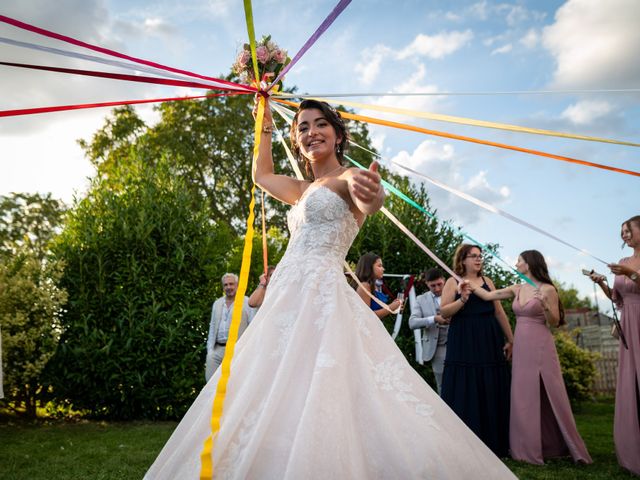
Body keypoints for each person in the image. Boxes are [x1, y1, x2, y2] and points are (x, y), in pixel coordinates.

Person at [145, 99, 516, 479]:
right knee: (271, 383)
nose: (311, 132)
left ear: (338, 135)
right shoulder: (303, 189)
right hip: (286, 296)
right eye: (303, 127)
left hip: (319, 294)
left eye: (320, 124)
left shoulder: (347, 177)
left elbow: (368, 197)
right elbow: (261, 175)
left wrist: (373, 194)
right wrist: (266, 126)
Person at [467, 250, 591, 465]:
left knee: (550, 391)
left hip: (541, 344)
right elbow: (488, 296)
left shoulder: (548, 289)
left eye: (519, 261)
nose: (516, 263)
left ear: (529, 264)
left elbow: (554, 321)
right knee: (523, 394)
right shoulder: (517, 288)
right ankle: (527, 447)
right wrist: (463, 281)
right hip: (521, 345)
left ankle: (562, 444)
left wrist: (544, 304)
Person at [439, 244, 513, 457]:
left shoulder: (488, 282)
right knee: (466, 385)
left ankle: (496, 442)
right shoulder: (453, 282)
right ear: (462, 260)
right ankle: (465, 444)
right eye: (473, 256)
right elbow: (444, 312)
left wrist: (511, 339)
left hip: (489, 338)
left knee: (491, 385)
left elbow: (499, 312)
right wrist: (462, 299)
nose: (478, 260)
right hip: (464, 338)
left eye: (480, 256)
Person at [589, 215, 640, 475]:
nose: (624, 235)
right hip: (629, 322)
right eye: (622, 231)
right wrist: (603, 284)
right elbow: (618, 298)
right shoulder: (622, 262)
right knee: (630, 383)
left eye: (628, 230)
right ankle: (633, 449)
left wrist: (632, 273)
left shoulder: (628, 267)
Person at [205, 273, 253, 381]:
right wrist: (210, 350)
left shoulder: (246, 301)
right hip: (217, 350)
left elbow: (252, 326)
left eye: (231, 284)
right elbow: (212, 328)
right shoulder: (217, 303)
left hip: (237, 349)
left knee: (233, 382)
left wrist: (245, 348)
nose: (228, 287)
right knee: (210, 383)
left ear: (237, 285)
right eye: (225, 285)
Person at [409, 268, 449, 394]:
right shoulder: (421, 299)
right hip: (437, 348)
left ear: (444, 281)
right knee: (443, 385)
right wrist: (434, 319)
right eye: (433, 286)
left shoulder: (454, 294)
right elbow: (412, 322)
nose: (437, 289)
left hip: (458, 344)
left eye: (439, 284)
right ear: (427, 284)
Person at [355, 252, 402, 318]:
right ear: (369, 267)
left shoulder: (375, 286)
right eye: (379, 266)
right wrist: (390, 307)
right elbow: (366, 316)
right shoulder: (364, 286)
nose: (383, 269)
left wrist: (394, 305)